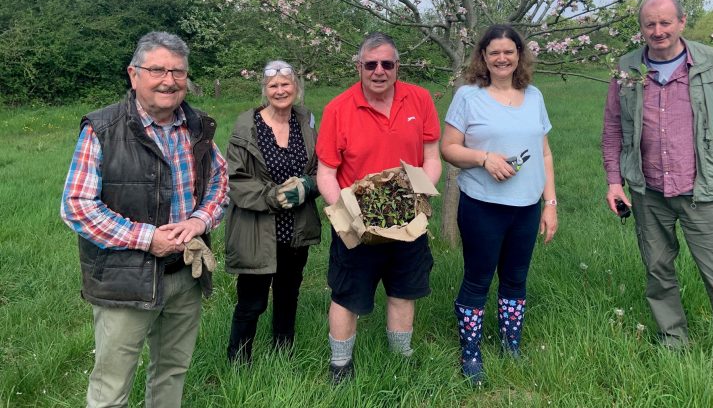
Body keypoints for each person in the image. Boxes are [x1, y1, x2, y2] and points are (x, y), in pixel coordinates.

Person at [601, 0, 713, 395]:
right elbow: (612, 129)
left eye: (665, 23)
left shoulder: (710, 62)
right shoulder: (627, 67)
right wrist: (614, 180)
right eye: (649, 25)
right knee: (658, 271)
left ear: (682, 22)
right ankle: (673, 340)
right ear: (641, 28)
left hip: (701, 190)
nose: (658, 32)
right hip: (647, 190)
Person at [60, 31, 228, 408]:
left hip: (185, 274)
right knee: (111, 387)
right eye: (157, 70)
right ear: (133, 75)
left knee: (172, 371)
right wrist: (147, 238)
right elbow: (77, 205)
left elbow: (221, 181)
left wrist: (200, 220)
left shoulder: (199, 126)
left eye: (178, 71)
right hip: (125, 281)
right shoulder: (102, 129)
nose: (169, 80)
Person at [315, 32, 442, 383]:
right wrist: (346, 210)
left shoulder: (419, 100)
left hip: (406, 215)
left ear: (397, 66)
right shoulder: (338, 109)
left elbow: (431, 157)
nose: (379, 71)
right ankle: (340, 364)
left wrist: (421, 194)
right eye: (370, 64)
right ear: (359, 67)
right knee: (347, 295)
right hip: (357, 219)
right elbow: (325, 173)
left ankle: (401, 359)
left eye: (387, 63)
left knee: (404, 290)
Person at [440, 24, 558, 384]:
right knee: (477, 279)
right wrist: (483, 157)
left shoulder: (534, 95)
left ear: (519, 55)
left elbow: (544, 152)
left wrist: (549, 202)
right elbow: (449, 148)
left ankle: (511, 344)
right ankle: (471, 354)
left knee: (516, 279)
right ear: (484, 57)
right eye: (495, 52)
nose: (502, 58)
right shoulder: (468, 96)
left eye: (509, 51)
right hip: (483, 205)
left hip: (526, 207)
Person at [225, 60, 321, 363]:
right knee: (251, 302)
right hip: (257, 229)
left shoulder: (306, 122)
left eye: (285, 84)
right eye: (273, 86)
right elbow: (235, 180)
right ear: (265, 91)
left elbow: (323, 168)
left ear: (296, 87)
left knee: (288, 294)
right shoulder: (246, 127)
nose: (280, 90)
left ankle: (283, 355)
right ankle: (239, 362)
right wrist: (272, 196)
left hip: (296, 229)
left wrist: (308, 185)